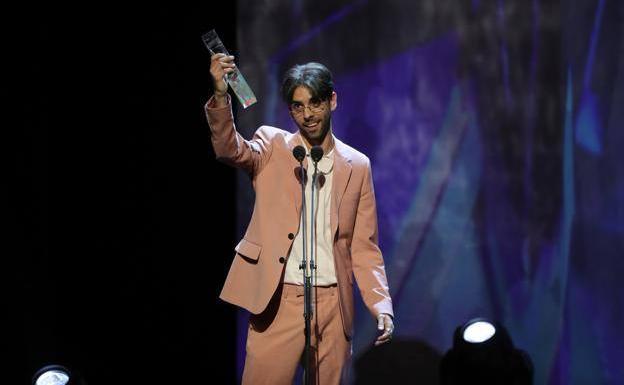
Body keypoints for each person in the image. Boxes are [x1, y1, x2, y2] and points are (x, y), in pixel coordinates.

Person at [205, 53, 394, 384]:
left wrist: (381, 305)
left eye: (315, 103)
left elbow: (364, 247)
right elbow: (228, 149)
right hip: (280, 300)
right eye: (297, 106)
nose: (307, 115)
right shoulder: (272, 144)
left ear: (332, 100)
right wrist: (222, 94)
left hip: (334, 305)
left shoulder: (358, 165)